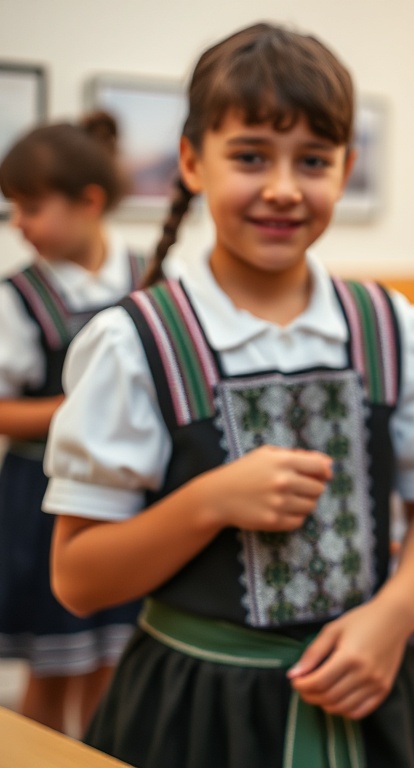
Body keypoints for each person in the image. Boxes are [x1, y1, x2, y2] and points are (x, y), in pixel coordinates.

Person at [42, 22, 414, 768]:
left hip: (367, 696)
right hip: (192, 712)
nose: (282, 188)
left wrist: (394, 616)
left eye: (312, 160)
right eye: (250, 157)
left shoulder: (392, 331)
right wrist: (207, 501)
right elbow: (78, 578)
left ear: (345, 169)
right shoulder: (136, 343)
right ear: (191, 162)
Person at [0, 111, 145, 734]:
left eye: (30, 207)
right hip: (42, 501)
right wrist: (84, 408)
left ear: (88, 202)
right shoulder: (18, 296)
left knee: (113, 665)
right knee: (50, 668)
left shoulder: (148, 277)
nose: (19, 224)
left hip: (129, 500)